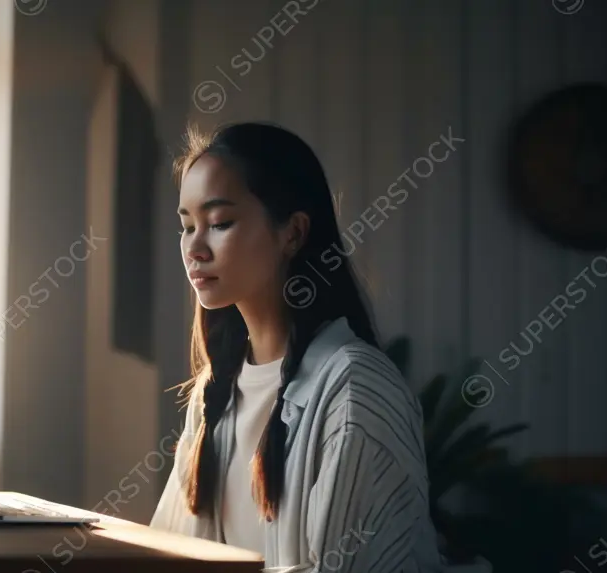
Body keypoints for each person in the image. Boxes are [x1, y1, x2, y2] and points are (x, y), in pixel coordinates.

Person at [150, 122, 443, 572]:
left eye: (220, 223)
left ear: (293, 232)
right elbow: (165, 554)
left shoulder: (355, 387)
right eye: (187, 226)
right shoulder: (216, 392)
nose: (195, 248)